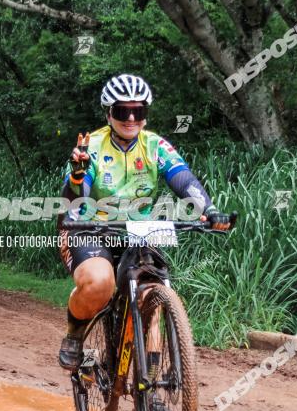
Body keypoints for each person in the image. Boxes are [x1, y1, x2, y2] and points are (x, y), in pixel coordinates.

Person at [57, 74, 233, 388]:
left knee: (151, 295)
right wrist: (77, 175)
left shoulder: (155, 145)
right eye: (123, 111)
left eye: (139, 111)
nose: (132, 118)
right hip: (88, 226)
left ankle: (149, 387)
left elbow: (183, 178)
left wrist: (208, 210)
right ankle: (75, 334)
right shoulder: (92, 146)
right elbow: (74, 194)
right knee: (100, 283)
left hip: (139, 229)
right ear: (109, 113)